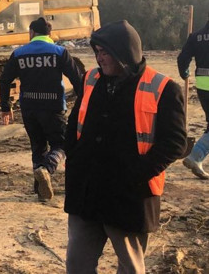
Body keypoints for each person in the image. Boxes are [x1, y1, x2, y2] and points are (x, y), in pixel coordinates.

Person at [64, 20, 187, 273]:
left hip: (129, 198)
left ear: (123, 52)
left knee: (130, 267)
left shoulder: (164, 88)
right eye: (97, 52)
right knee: (77, 265)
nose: (99, 58)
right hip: (86, 193)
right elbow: (74, 123)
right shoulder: (91, 79)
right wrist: (74, 158)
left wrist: (136, 174)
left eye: (105, 52)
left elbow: (175, 142)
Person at [0, 17, 83, 201]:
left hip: (29, 109)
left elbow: (4, 80)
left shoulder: (19, 53)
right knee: (61, 144)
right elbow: (78, 79)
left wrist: (6, 107)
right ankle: (46, 168)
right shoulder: (59, 52)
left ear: (32, 32)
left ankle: (40, 191)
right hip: (53, 108)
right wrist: (83, 104)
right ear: (49, 34)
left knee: (38, 147)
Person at [179, 11, 209, 179]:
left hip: (203, 86)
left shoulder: (196, 36)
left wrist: (184, 72)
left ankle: (197, 157)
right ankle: (196, 156)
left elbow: (182, 58)